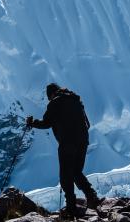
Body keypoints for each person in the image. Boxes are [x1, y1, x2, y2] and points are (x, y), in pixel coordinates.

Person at [26, 83, 100, 216]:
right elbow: (86, 124)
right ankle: (92, 197)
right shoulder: (76, 101)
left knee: (66, 175)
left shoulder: (55, 103)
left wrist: (32, 123)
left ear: (51, 95)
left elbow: (46, 123)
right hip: (83, 141)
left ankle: (71, 207)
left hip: (67, 142)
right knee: (77, 172)